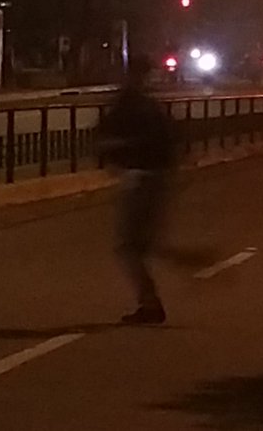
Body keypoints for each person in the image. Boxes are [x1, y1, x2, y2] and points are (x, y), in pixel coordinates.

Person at [99, 55, 176, 324]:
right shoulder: (150, 106)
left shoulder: (130, 103)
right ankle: (152, 297)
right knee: (137, 244)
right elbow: (169, 142)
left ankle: (150, 303)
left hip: (140, 178)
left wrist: (116, 152)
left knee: (130, 246)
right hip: (155, 177)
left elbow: (106, 134)